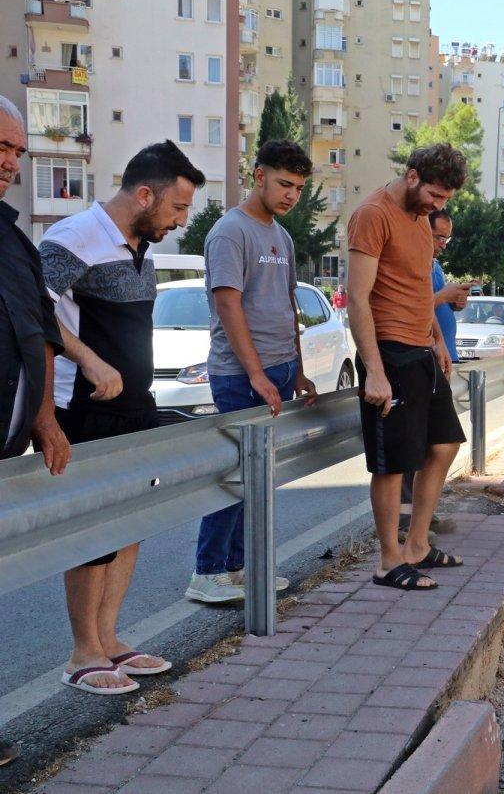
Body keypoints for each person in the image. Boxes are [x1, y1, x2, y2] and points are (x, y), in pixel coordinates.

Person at [40, 139, 205, 693]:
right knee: (96, 530)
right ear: (144, 195)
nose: (181, 221)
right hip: (85, 409)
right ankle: (81, 653)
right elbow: (30, 309)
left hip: (136, 406)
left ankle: (109, 639)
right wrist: (87, 359)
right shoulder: (73, 237)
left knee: (131, 524)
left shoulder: (141, 247)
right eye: (177, 207)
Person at [185, 140, 317, 604]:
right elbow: (228, 304)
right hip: (240, 376)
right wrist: (256, 373)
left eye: (298, 188)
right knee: (235, 476)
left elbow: (287, 304)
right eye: (284, 184)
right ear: (258, 175)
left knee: (258, 477)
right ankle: (207, 573)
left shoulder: (282, 237)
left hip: (280, 370)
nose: (291, 195)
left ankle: (239, 569)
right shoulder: (229, 232)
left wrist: (297, 370)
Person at [346, 143, 469, 591]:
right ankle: (388, 561)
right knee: (392, 463)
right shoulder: (372, 215)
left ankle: (417, 545)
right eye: (435, 195)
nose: (437, 205)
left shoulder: (420, 220)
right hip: (390, 354)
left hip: (421, 352)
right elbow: (357, 299)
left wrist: (436, 340)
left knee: (445, 444)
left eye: (445, 199)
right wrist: (375, 371)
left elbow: (418, 288)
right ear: (412, 176)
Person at [0, 93, 72, 766]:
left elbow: (42, 334)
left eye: (17, 152)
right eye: (1, 147)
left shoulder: (14, 241)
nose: (11, 164)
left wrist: (45, 417)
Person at [398, 209, 470, 538]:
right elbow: (413, 307)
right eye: (438, 236)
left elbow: (432, 307)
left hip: (436, 358)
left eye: (447, 238)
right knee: (413, 442)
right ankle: (405, 521)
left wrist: (454, 302)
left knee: (436, 443)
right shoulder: (409, 261)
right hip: (415, 358)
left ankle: (421, 515)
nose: (442, 243)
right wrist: (443, 297)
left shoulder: (433, 264)